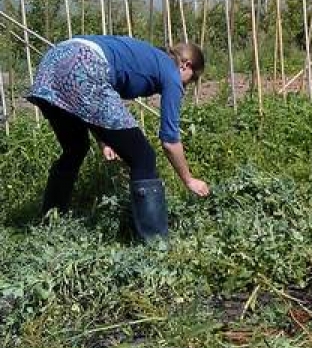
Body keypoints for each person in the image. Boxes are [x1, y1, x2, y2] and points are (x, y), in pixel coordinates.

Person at [26, 35, 210, 240]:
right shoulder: (171, 72)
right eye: (192, 79)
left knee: (75, 149)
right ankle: (155, 242)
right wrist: (188, 179)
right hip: (85, 64)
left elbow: (93, 103)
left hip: (52, 64)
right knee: (143, 157)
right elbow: (169, 140)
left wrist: (104, 140)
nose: (187, 85)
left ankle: (50, 222)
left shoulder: (147, 55)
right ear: (186, 65)